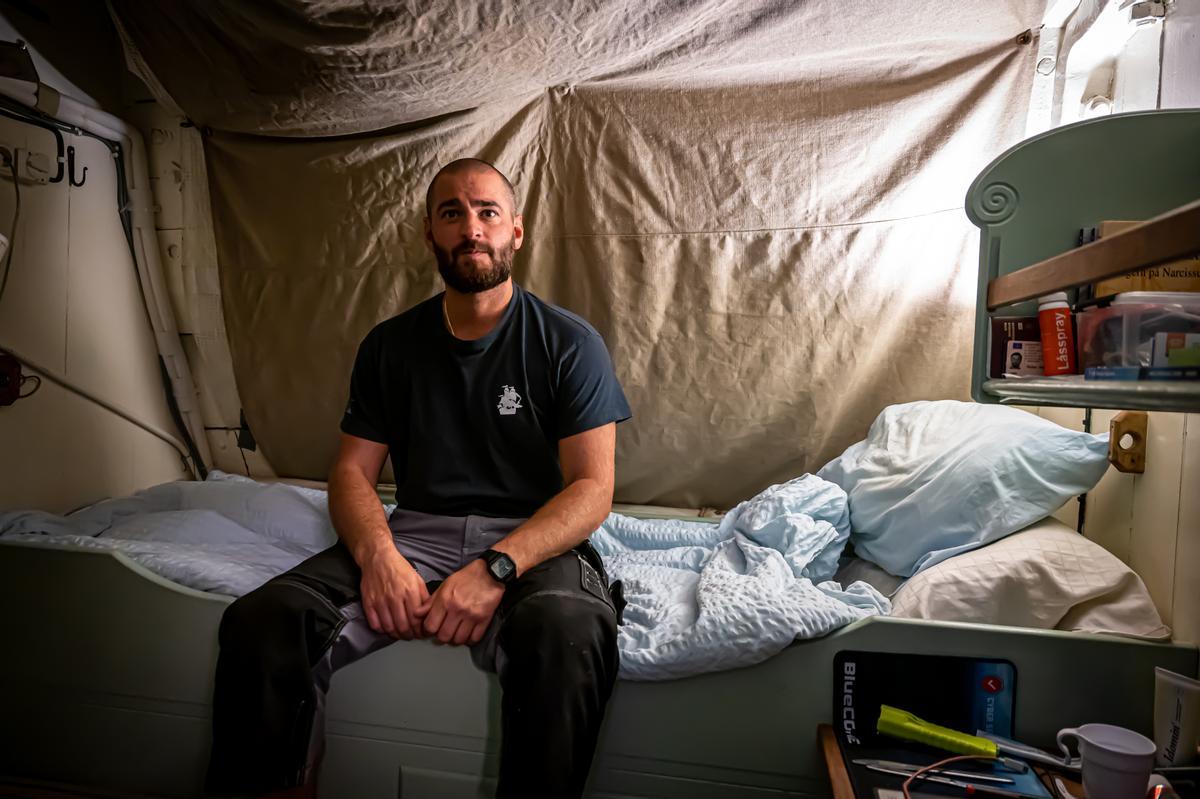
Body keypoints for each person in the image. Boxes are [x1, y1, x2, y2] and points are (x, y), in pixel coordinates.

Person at [205, 158, 632, 799]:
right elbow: (351, 471)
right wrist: (378, 557)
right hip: (415, 532)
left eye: (487, 212)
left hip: (533, 539)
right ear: (429, 234)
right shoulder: (390, 346)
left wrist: (495, 569)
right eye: (452, 213)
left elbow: (592, 489)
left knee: (568, 633)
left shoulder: (569, 343)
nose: (471, 228)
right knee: (263, 621)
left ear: (516, 231)